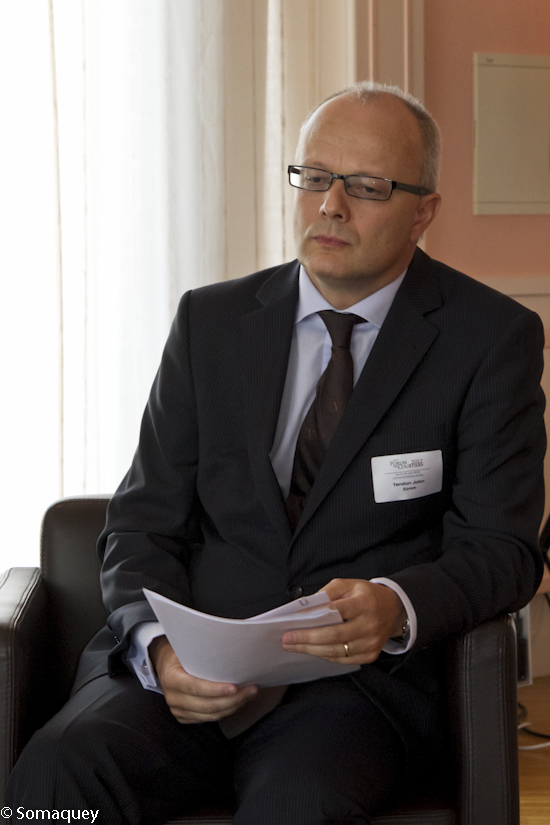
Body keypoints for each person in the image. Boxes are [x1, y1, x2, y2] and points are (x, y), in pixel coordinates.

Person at [6, 82, 545, 824]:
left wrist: (396, 605)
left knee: (297, 804)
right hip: (185, 673)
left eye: (366, 186)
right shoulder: (210, 322)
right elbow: (140, 522)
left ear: (424, 212)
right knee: (54, 772)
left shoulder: (489, 339)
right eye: (315, 176)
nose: (331, 206)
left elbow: (503, 550)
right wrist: (160, 650)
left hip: (353, 690)